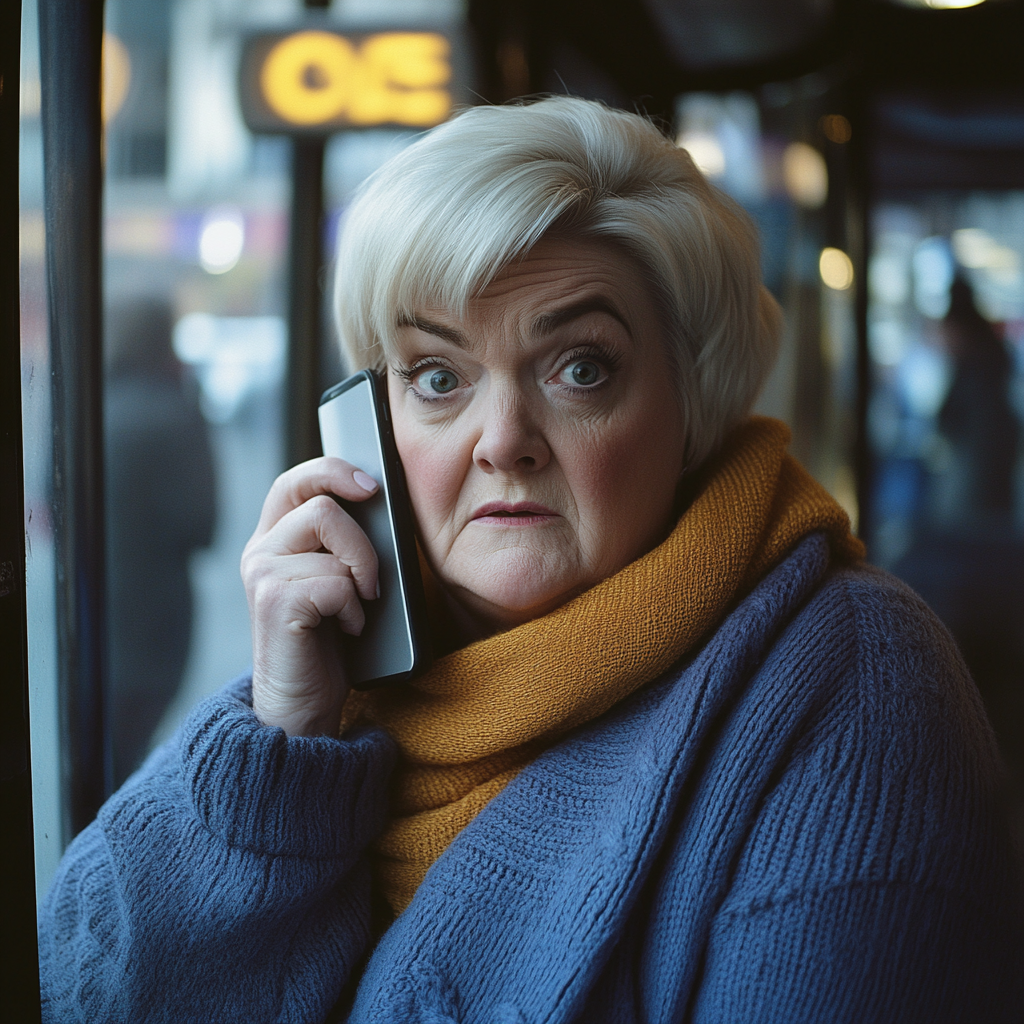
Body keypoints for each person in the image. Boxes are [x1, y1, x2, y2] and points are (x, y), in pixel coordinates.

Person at [39, 98, 1022, 1022]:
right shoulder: (348, 679)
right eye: (436, 377)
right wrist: (282, 738)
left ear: (692, 404)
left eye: (578, 367)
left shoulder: (856, 684)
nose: (500, 438)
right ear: (372, 430)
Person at [104, 298, 217, 785]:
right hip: (158, 614)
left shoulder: (91, 407)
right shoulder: (177, 412)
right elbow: (203, 525)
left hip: (94, 606)